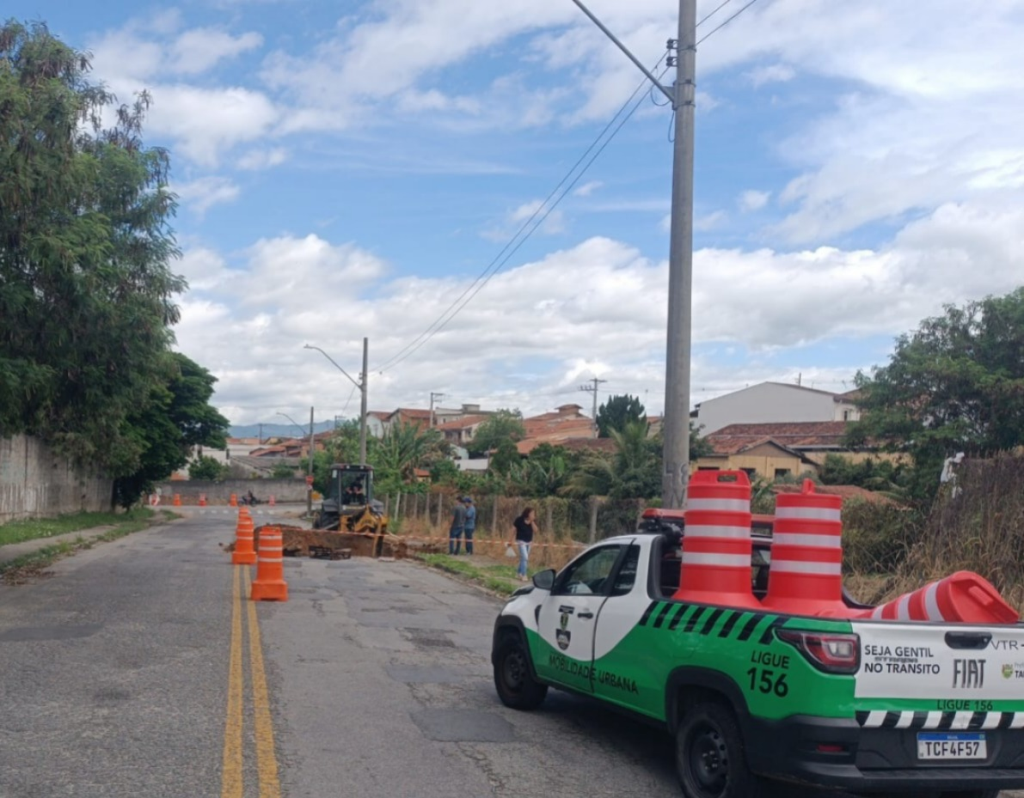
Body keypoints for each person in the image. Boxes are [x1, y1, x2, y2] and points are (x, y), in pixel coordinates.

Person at [512, 507, 538, 581]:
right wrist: (510, 540)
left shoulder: (532, 522)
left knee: (523, 558)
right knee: (525, 557)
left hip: (529, 542)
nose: (533, 515)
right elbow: (513, 529)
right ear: (527, 513)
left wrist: (532, 521)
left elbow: (536, 530)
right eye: (532, 513)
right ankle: (524, 574)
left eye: (534, 514)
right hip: (521, 541)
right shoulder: (519, 520)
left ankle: (518, 573)